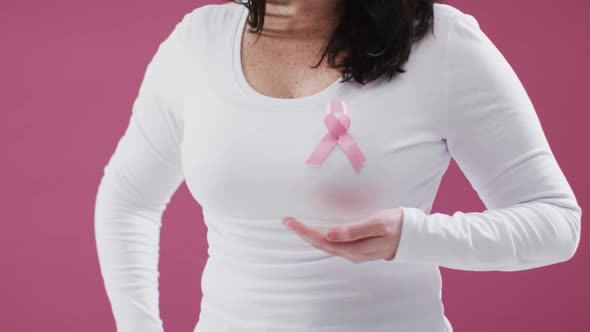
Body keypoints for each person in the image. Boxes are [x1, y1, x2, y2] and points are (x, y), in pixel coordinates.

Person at [93, 0, 582, 331]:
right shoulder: (198, 42)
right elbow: (128, 198)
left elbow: (556, 222)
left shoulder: (441, 42)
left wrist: (412, 237)